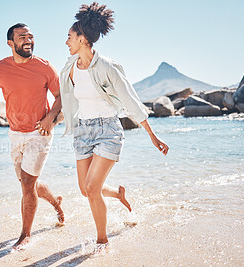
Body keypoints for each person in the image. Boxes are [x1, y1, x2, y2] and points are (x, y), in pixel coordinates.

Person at [60, 2, 169, 251]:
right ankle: (118, 194)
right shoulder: (69, 68)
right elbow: (65, 98)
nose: (66, 42)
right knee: (85, 190)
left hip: (108, 130)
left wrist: (152, 135)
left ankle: (102, 241)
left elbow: (130, 100)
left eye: (69, 37)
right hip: (83, 132)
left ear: (82, 39)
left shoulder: (107, 67)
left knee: (91, 187)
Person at [0, 23, 64, 250]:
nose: (28, 40)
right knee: (28, 183)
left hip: (40, 132)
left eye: (30, 36)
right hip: (14, 133)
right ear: (11, 43)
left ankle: (25, 235)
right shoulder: (0, 69)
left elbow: (60, 97)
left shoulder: (46, 68)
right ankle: (56, 202)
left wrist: (50, 119)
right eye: (22, 37)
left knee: (27, 183)